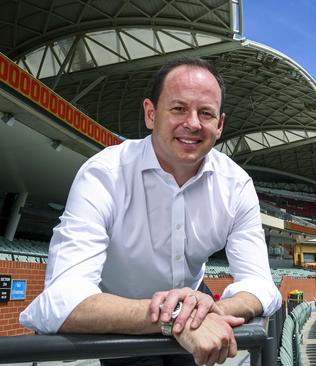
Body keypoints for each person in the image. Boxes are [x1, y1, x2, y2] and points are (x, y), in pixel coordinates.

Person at [20, 57, 282, 365]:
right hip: (123, 315)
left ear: (220, 125)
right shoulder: (104, 173)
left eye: (206, 113)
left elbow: (261, 285)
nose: (193, 123)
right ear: (150, 113)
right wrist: (170, 316)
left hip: (196, 306)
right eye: (178, 108)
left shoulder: (236, 185)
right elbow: (59, 301)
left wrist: (212, 311)